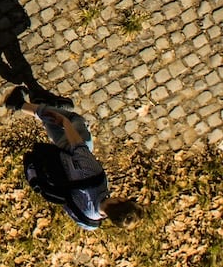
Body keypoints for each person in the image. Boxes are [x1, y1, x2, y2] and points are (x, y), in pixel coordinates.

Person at [8, 87, 141, 230]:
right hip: (57, 171)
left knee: (75, 121)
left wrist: (65, 122)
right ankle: (46, 105)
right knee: (57, 132)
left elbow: (78, 147)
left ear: (120, 200)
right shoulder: (90, 222)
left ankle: (19, 104)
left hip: (68, 156)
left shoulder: (96, 179)